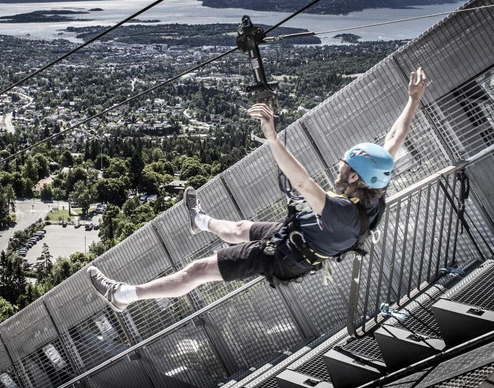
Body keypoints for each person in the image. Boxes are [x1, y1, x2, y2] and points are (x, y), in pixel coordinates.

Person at [87, 67, 428, 312]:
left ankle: (123, 295)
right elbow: (393, 140)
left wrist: (272, 137)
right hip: (298, 235)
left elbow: (302, 183)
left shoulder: (341, 213)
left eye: (344, 164)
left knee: (198, 271)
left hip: (283, 256)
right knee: (238, 229)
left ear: (354, 178)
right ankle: (200, 221)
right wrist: (412, 101)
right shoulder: (374, 186)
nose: (339, 165)